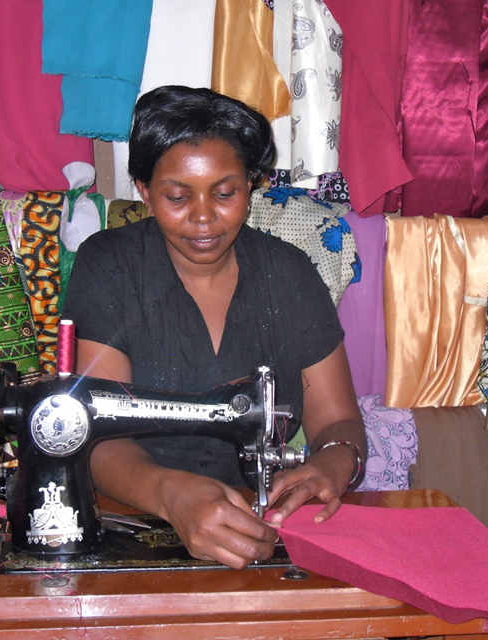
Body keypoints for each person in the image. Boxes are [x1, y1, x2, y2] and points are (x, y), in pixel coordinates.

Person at [63, 85, 366, 569]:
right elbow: (97, 432)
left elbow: (336, 422)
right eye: (177, 196)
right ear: (143, 190)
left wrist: (333, 460)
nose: (203, 217)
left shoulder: (290, 274)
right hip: (132, 518)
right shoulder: (110, 266)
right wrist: (171, 495)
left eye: (225, 193)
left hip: (261, 522)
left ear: (251, 184)